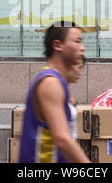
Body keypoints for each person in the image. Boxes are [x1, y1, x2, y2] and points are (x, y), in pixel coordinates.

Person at [19, 21, 90, 163]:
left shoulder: (58, 81)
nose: (82, 48)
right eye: (77, 41)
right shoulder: (50, 82)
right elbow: (62, 139)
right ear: (57, 45)